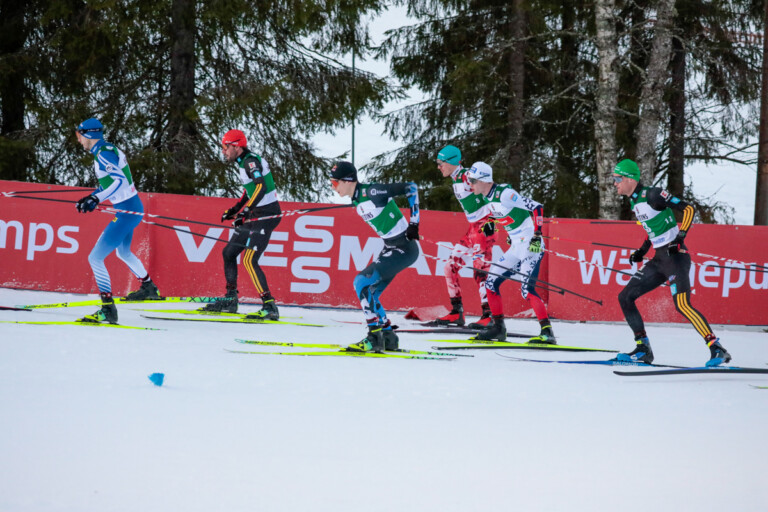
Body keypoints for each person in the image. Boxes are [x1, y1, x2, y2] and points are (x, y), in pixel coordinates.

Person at [612, 159, 731, 366]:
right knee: (625, 297)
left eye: (617, 178)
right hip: (658, 259)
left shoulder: (652, 194)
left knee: (682, 305)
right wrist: (642, 250)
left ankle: (717, 348)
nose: (614, 183)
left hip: (676, 257)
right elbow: (654, 227)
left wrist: (680, 237)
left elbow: (688, 209)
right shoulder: (634, 201)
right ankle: (643, 349)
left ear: (630, 179)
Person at [73, 118, 159, 324]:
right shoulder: (106, 150)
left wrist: (96, 198)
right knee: (123, 252)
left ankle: (107, 309)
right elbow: (112, 183)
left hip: (127, 210)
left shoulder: (103, 154)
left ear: (88, 134)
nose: (78, 140)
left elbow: (119, 180)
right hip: (130, 208)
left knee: (95, 258)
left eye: (79, 135)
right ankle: (148, 287)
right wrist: (92, 196)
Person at [329, 161, 421, 352]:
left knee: (361, 282)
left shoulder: (371, 192)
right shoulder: (356, 199)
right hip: (391, 247)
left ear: (348, 181)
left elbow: (410, 187)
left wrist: (414, 223)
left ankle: (374, 338)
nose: (333, 187)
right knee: (371, 293)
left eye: (335, 183)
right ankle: (388, 336)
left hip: (404, 248)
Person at [465, 162, 555, 343]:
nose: (470, 184)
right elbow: (504, 214)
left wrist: (537, 235)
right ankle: (498, 328)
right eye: (469, 180)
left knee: (526, 290)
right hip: (515, 246)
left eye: (473, 180)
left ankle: (547, 333)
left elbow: (537, 207)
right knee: (490, 282)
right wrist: (492, 222)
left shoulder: (505, 194)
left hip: (530, 245)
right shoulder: (486, 197)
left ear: (484, 180)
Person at [200, 129, 281, 320]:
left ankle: (269, 306)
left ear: (236, 146)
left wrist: (246, 211)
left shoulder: (250, 161)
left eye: (225, 147)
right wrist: (236, 209)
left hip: (266, 214)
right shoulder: (242, 162)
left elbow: (261, 186)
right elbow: (250, 190)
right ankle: (230, 299)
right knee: (229, 253)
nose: (223, 151)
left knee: (249, 260)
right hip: (256, 213)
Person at [431, 145, 496, 328]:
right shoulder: (456, 178)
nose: (438, 167)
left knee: (480, 270)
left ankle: (489, 315)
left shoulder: (467, 176)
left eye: (440, 163)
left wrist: (493, 220)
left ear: (451, 162)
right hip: (473, 229)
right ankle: (456, 312)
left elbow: (489, 188)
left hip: (484, 228)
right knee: (449, 266)